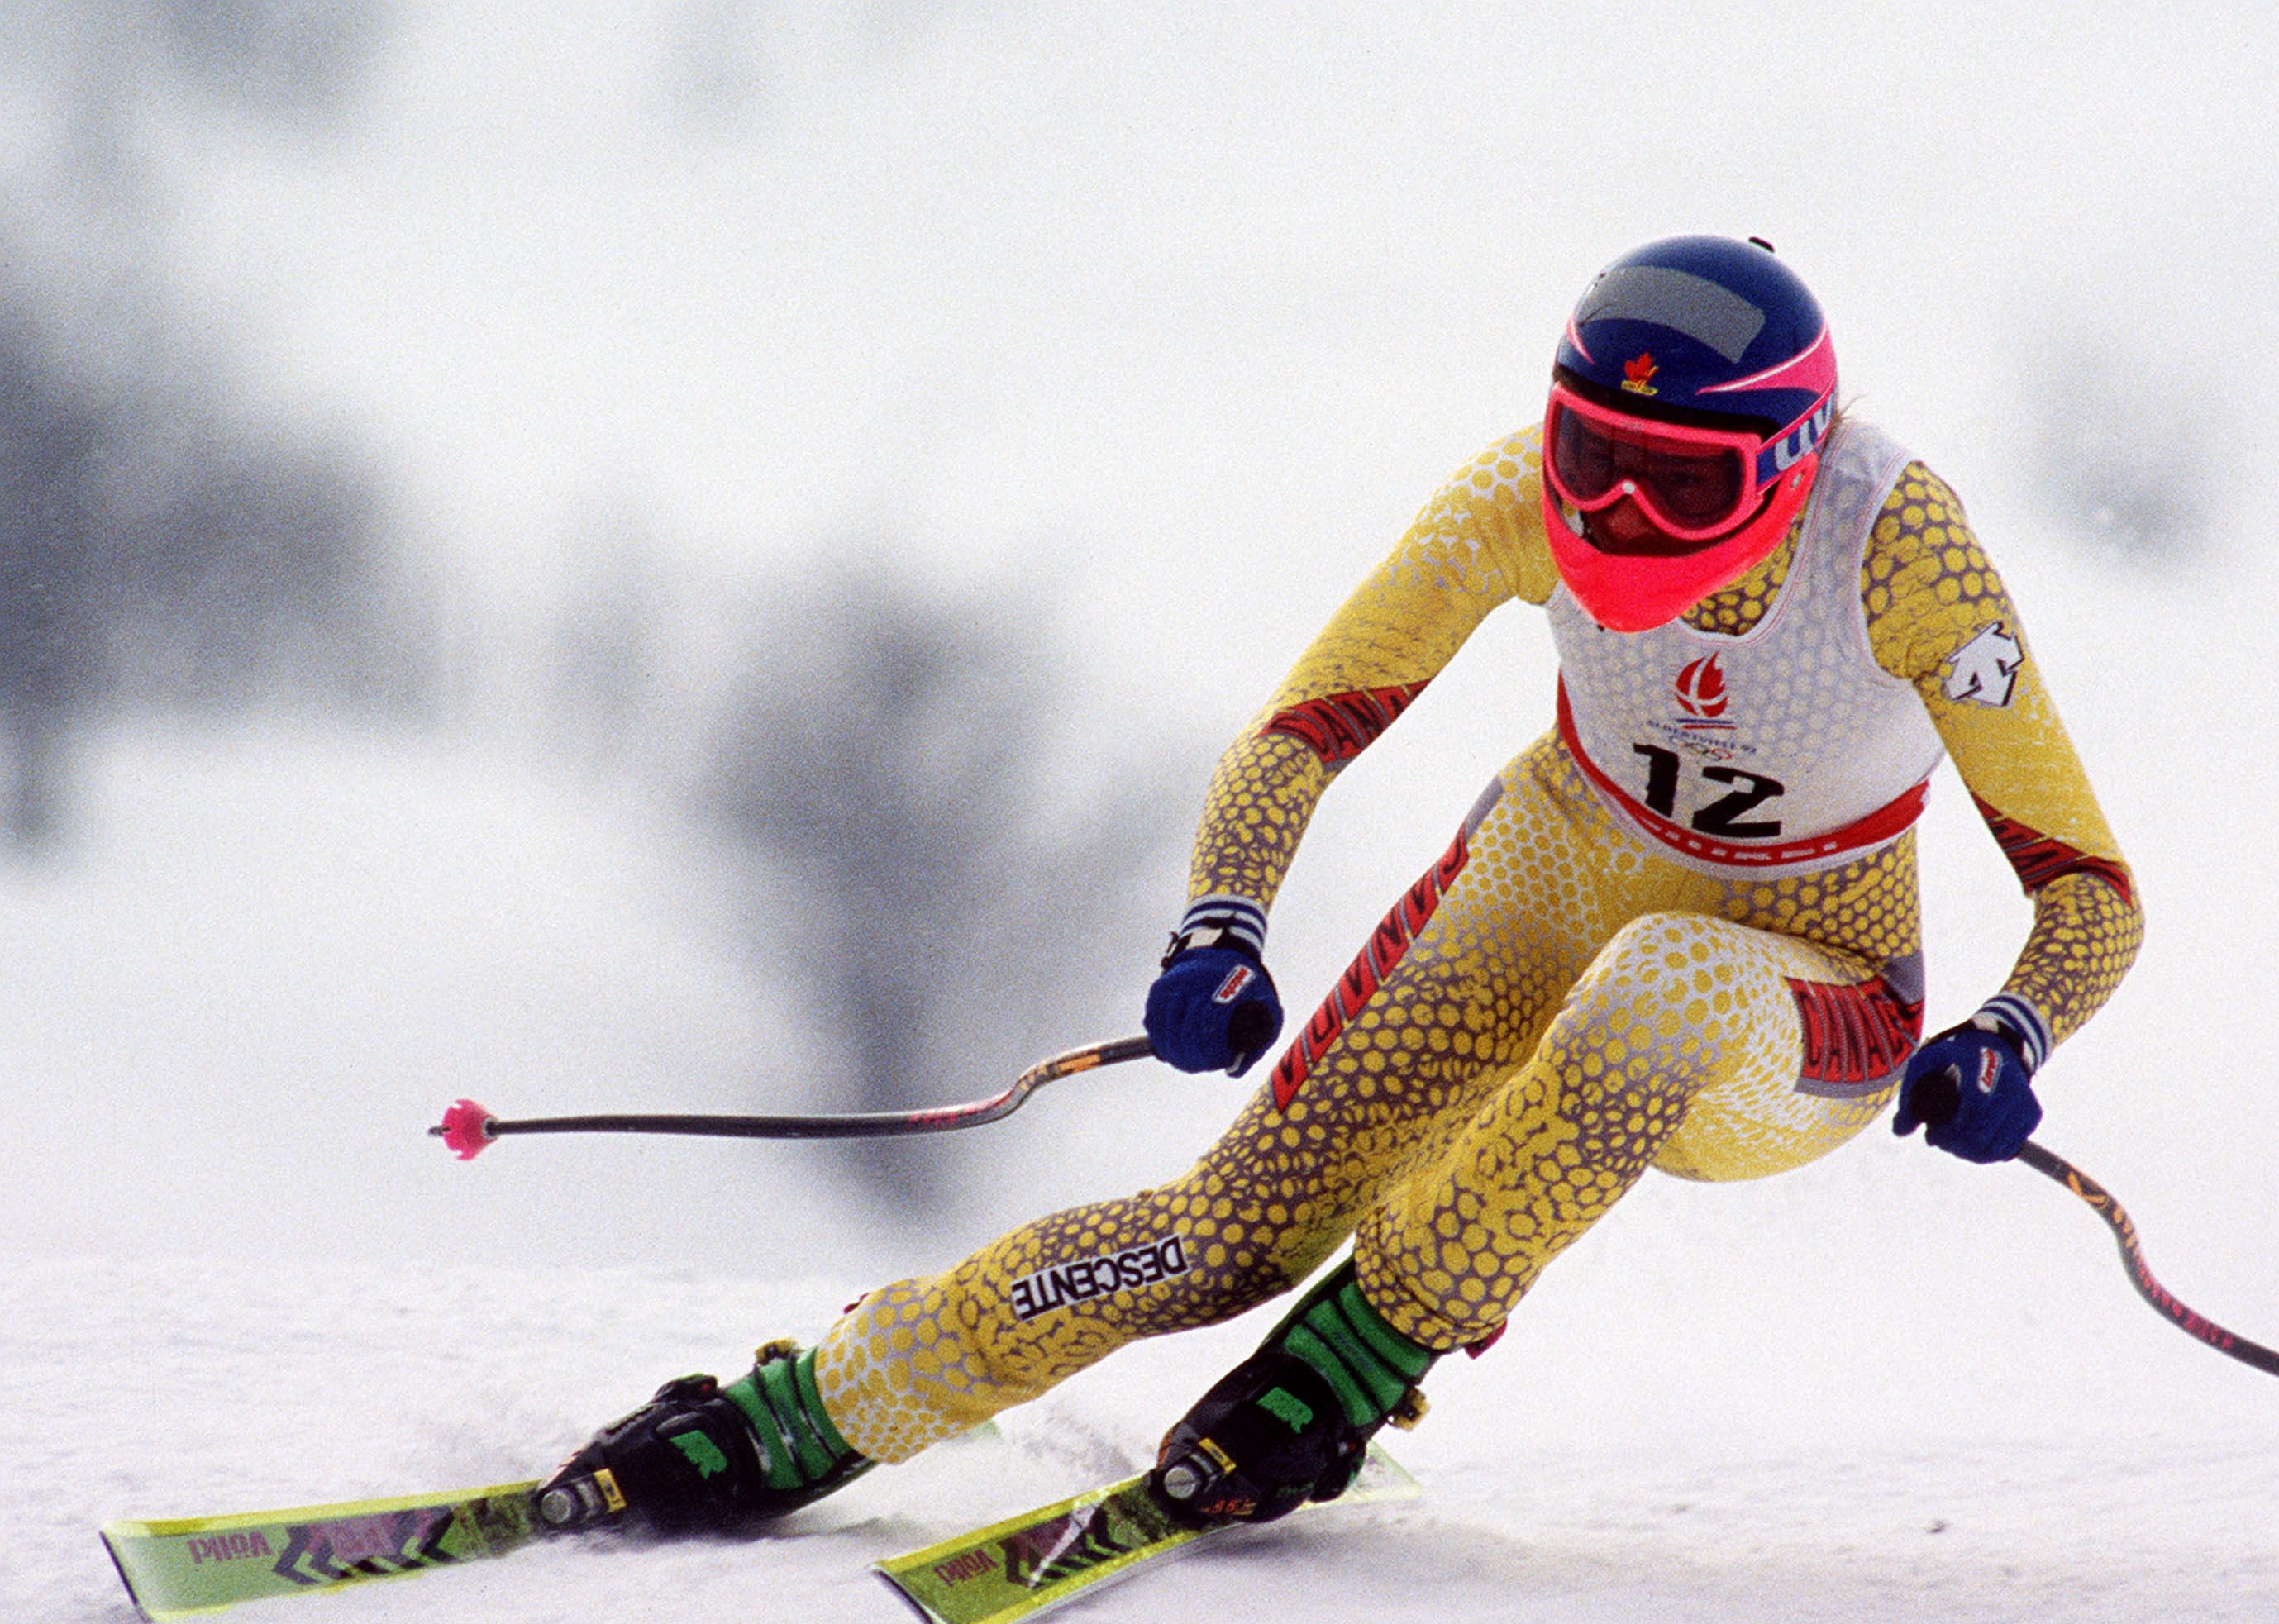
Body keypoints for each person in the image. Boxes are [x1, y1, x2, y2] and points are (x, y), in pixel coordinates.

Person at [532, 234, 2143, 1536]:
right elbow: (1299, 731)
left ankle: (1363, 1349)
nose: (1618, 516)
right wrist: (1222, 920)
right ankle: (829, 1398)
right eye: (1593, 457)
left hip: (1807, 993)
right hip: (1556, 873)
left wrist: (2013, 1031)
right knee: (1217, 1237)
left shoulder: (1901, 556)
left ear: (1797, 462)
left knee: (1664, 983)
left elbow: (2088, 892)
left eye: (1685, 486)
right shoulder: (1517, 498)